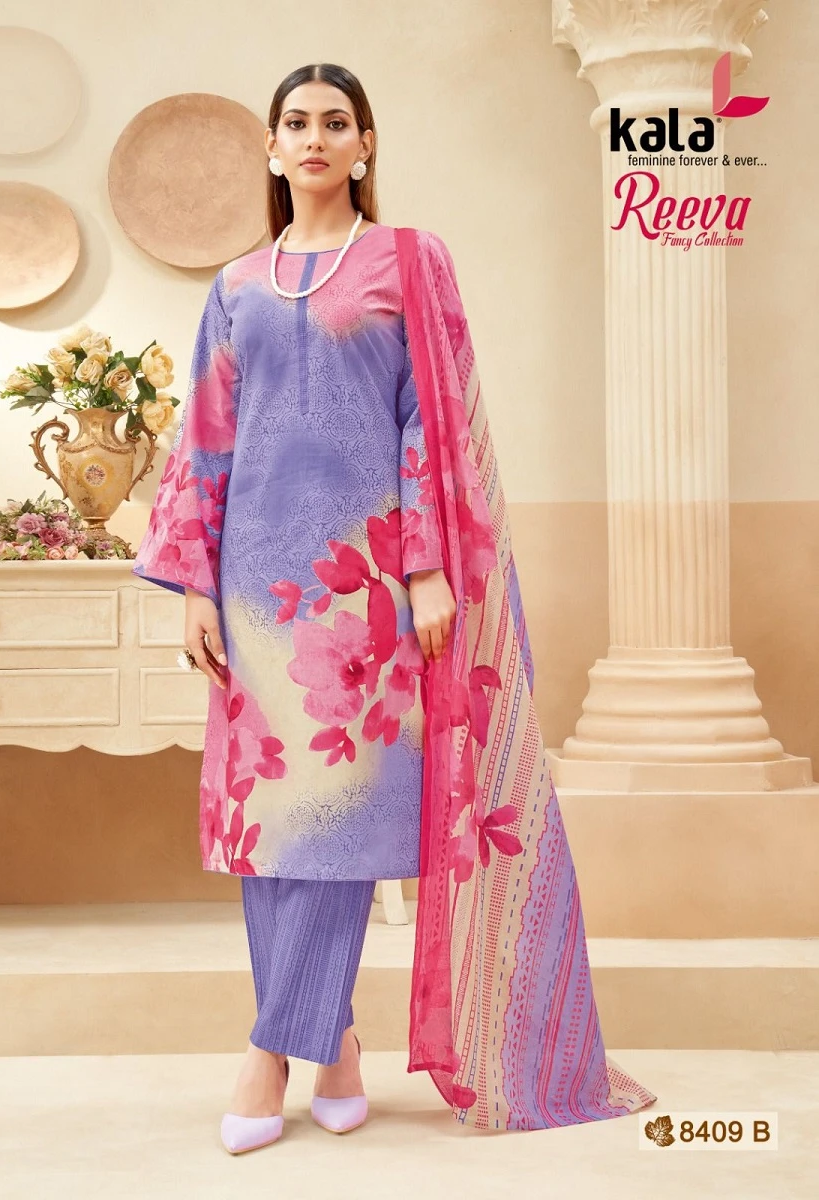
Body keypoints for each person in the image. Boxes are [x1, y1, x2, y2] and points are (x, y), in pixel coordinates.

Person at [132, 62, 657, 1155]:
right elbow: (206, 442)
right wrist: (193, 588)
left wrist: (426, 570)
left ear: (364, 143)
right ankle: (333, 1041)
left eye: (337, 122)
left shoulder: (407, 261)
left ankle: (270, 1050)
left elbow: (431, 418)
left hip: (363, 587)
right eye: (296, 123)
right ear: (271, 147)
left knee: (334, 816)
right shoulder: (235, 286)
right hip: (254, 590)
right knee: (269, 826)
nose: (315, 138)